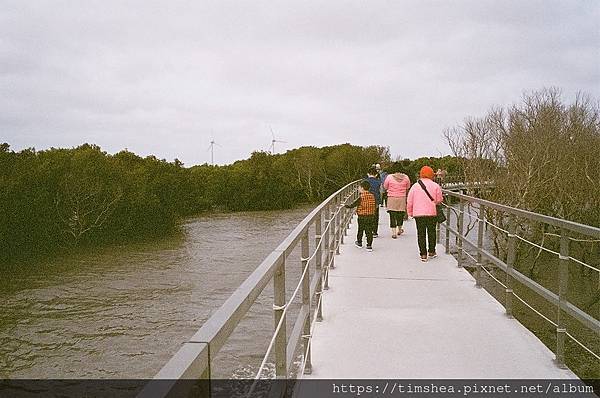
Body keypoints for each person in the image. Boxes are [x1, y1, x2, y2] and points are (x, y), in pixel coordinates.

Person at [407, 166, 443, 262]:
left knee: (421, 233)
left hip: (418, 214)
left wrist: (410, 212)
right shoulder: (435, 185)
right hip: (432, 213)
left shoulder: (415, 186)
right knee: (432, 232)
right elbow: (439, 200)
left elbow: (409, 201)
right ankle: (431, 251)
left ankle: (423, 254)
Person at [345, 180, 377, 252]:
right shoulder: (372, 196)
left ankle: (359, 242)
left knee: (361, 229)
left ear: (362, 188)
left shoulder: (361, 197)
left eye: (359, 187)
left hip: (362, 216)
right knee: (369, 231)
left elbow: (353, 205)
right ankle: (369, 245)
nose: (358, 189)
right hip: (370, 216)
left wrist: (346, 206)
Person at [383, 166, 411, 239]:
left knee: (392, 215)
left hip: (391, 198)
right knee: (400, 214)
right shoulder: (406, 177)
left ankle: (393, 233)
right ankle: (399, 229)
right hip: (402, 198)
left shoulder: (389, 177)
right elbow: (408, 187)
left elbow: (385, 186)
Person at [365, 167, 381, 237]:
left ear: (368, 174)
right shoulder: (378, 182)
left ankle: (367, 232)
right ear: (376, 174)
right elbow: (380, 191)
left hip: (366, 199)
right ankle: (374, 232)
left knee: (367, 215)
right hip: (376, 200)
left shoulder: (365, 181)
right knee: (375, 216)